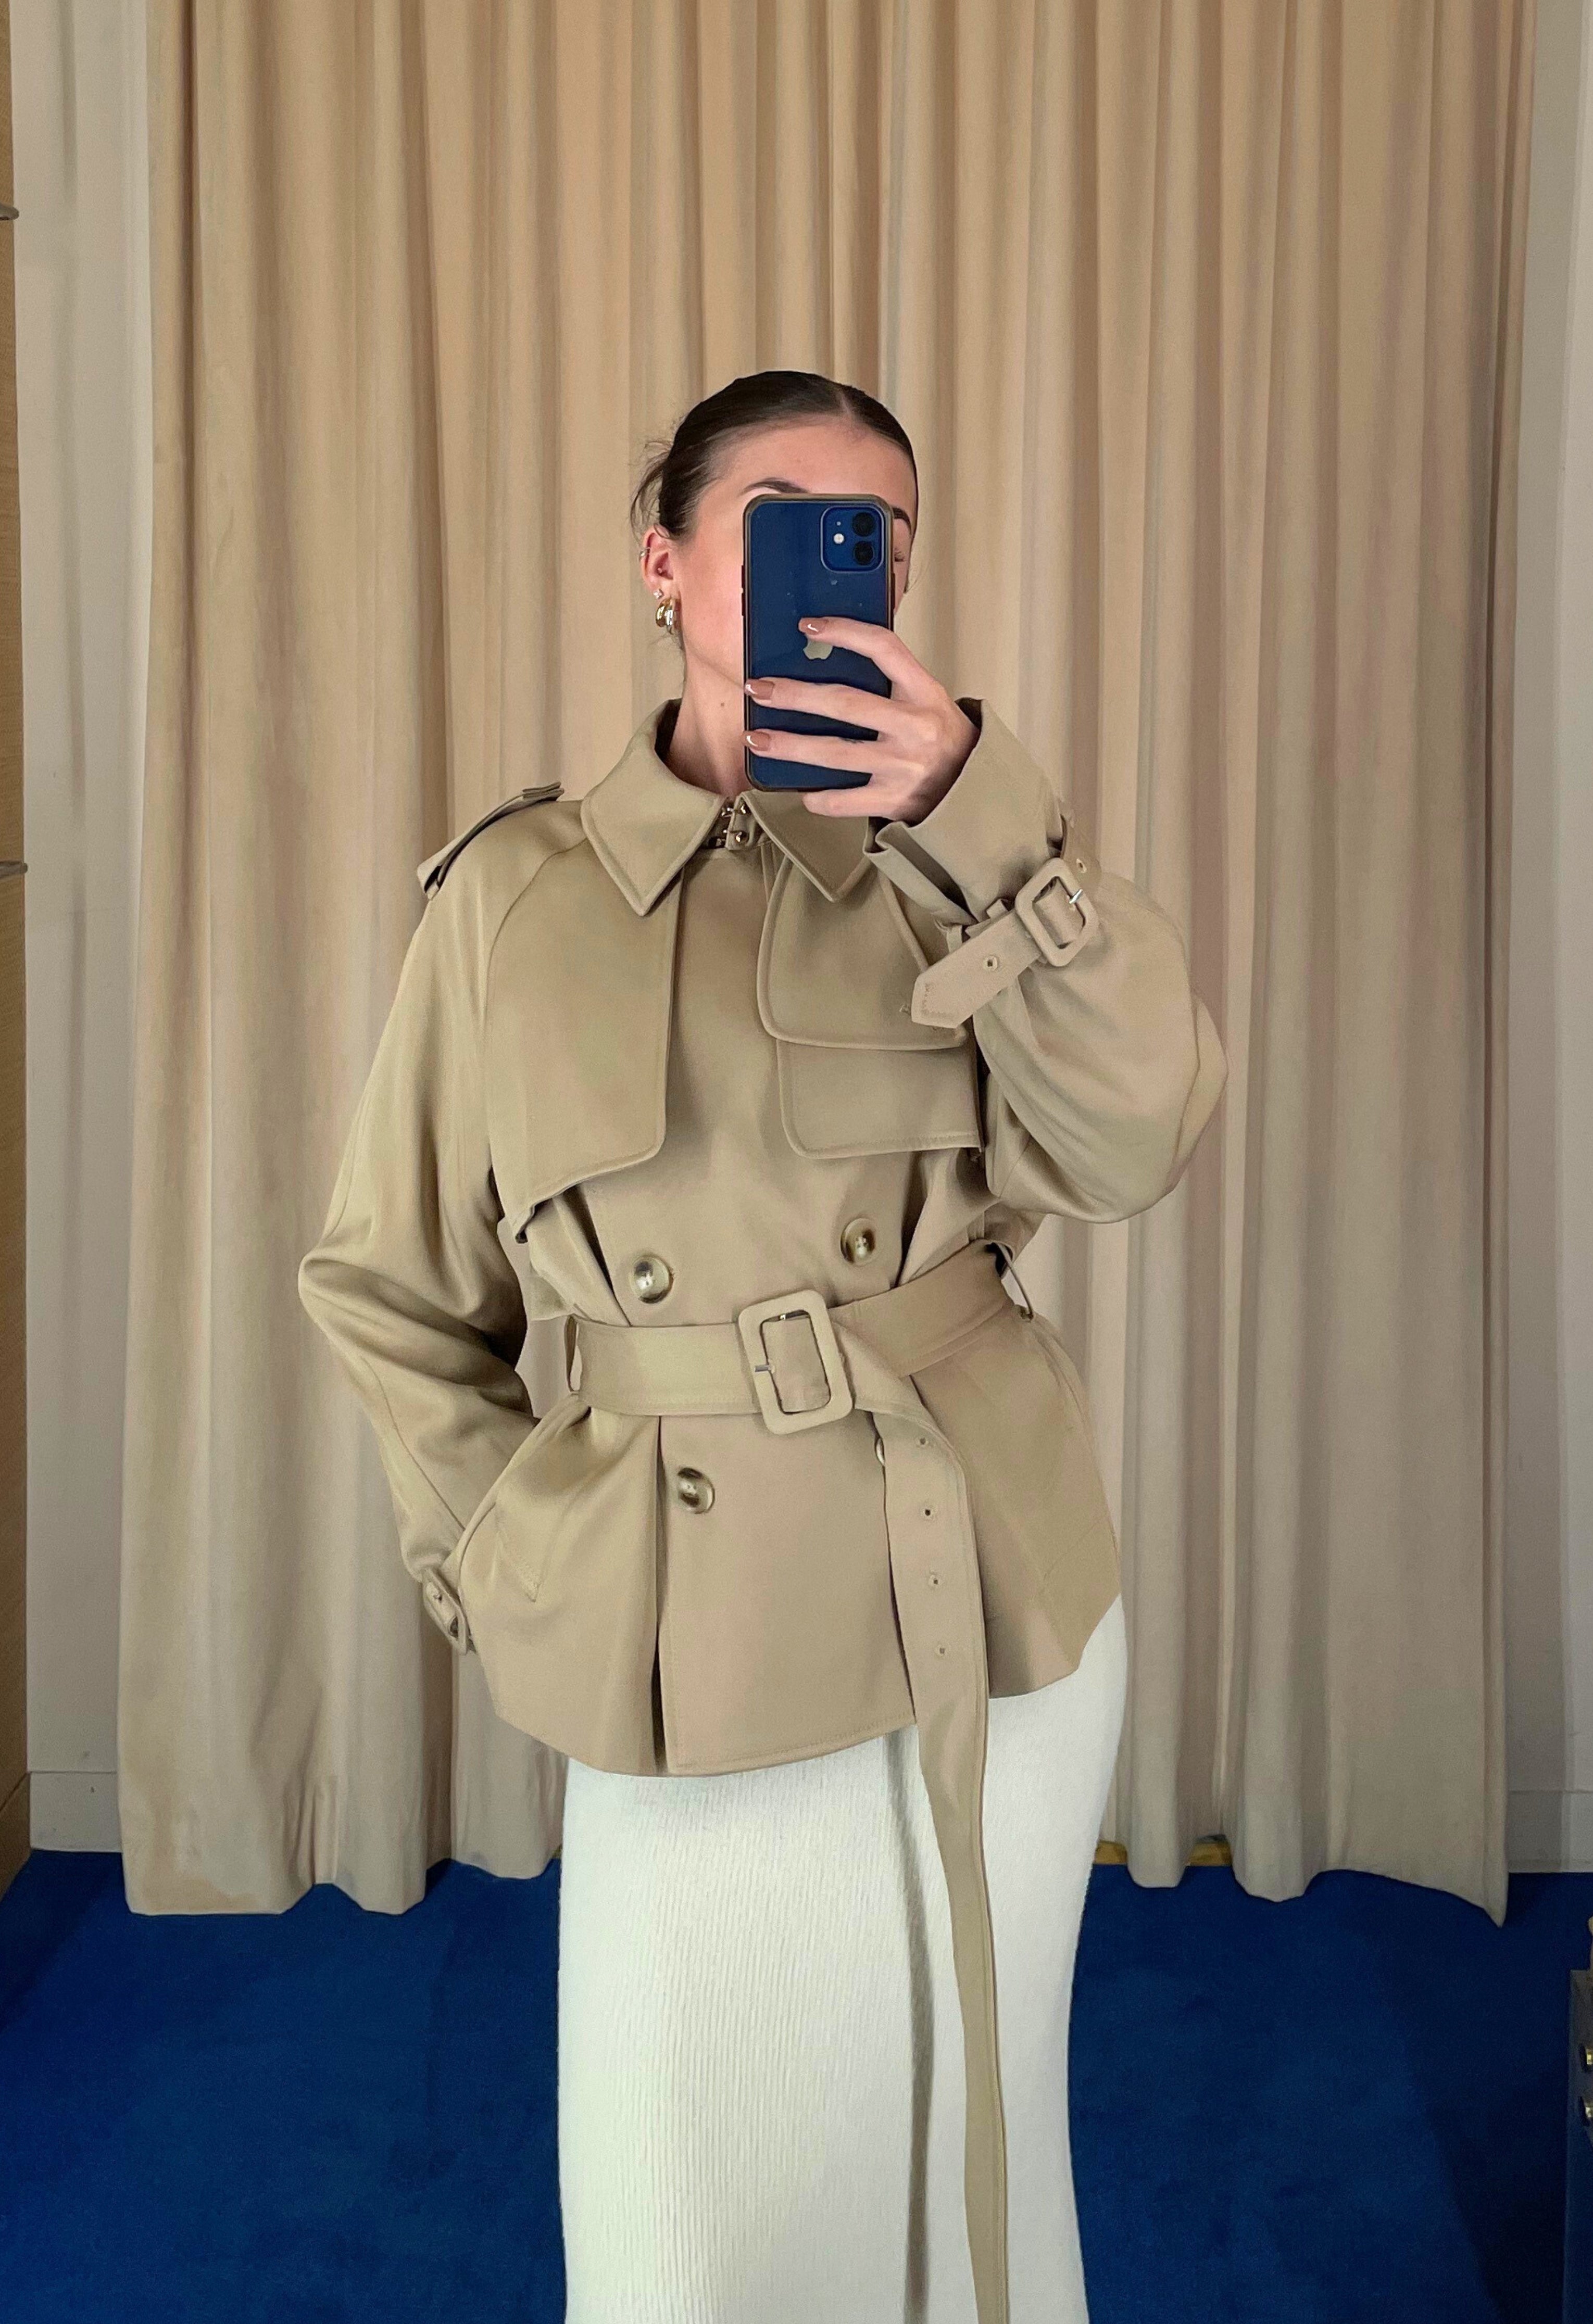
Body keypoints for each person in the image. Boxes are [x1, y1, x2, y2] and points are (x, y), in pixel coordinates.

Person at [298, 368, 1226, 2324]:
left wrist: (982, 816)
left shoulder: (960, 863)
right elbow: (391, 1286)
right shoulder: (511, 898)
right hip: (682, 1614)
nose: (840, 559)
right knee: (682, 2221)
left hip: (988, 1576)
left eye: (876, 535)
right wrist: (498, 1558)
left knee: (974, 2139)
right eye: (784, 518)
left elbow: (1133, 1144)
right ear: (665, 561)